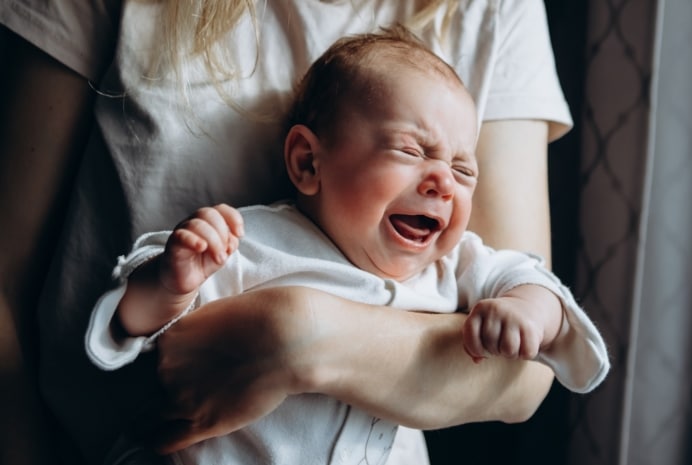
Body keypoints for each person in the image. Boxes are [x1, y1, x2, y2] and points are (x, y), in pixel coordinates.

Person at [0, 2, 577, 465]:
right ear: (305, 163)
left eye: (463, 169)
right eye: (410, 150)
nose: (443, 185)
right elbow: (125, 315)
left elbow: (530, 325)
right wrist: (171, 284)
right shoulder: (256, 240)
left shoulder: (455, 263)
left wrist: (531, 307)